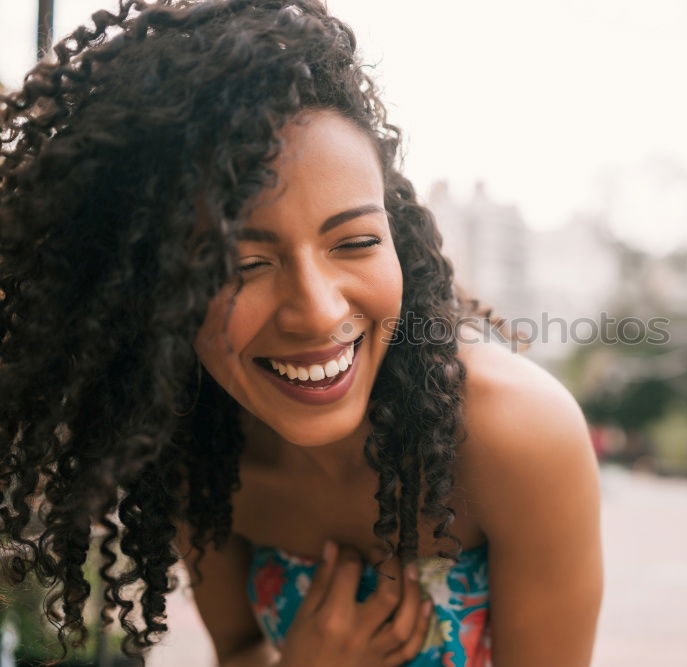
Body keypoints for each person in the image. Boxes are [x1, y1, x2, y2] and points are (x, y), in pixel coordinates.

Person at [0, 1, 603, 666]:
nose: (317, 313)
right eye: (244, 263)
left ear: (396, 237)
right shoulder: (199, 449)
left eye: (355, 241)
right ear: (154, 287)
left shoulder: (517, 438)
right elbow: (239, 649)